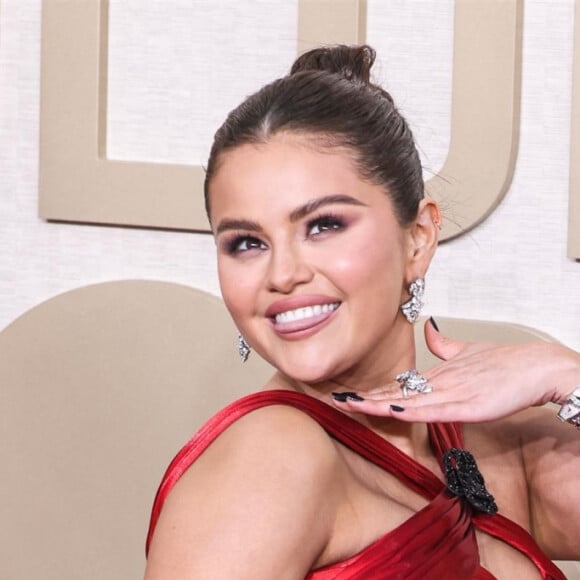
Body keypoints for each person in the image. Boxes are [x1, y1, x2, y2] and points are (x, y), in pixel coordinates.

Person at [143, 45, 580, 579]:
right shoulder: (273, 457)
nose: (282, 275)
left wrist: (564, 372)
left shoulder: (496, 446)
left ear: (418, 239)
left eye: (323, 225)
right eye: (246, 243)